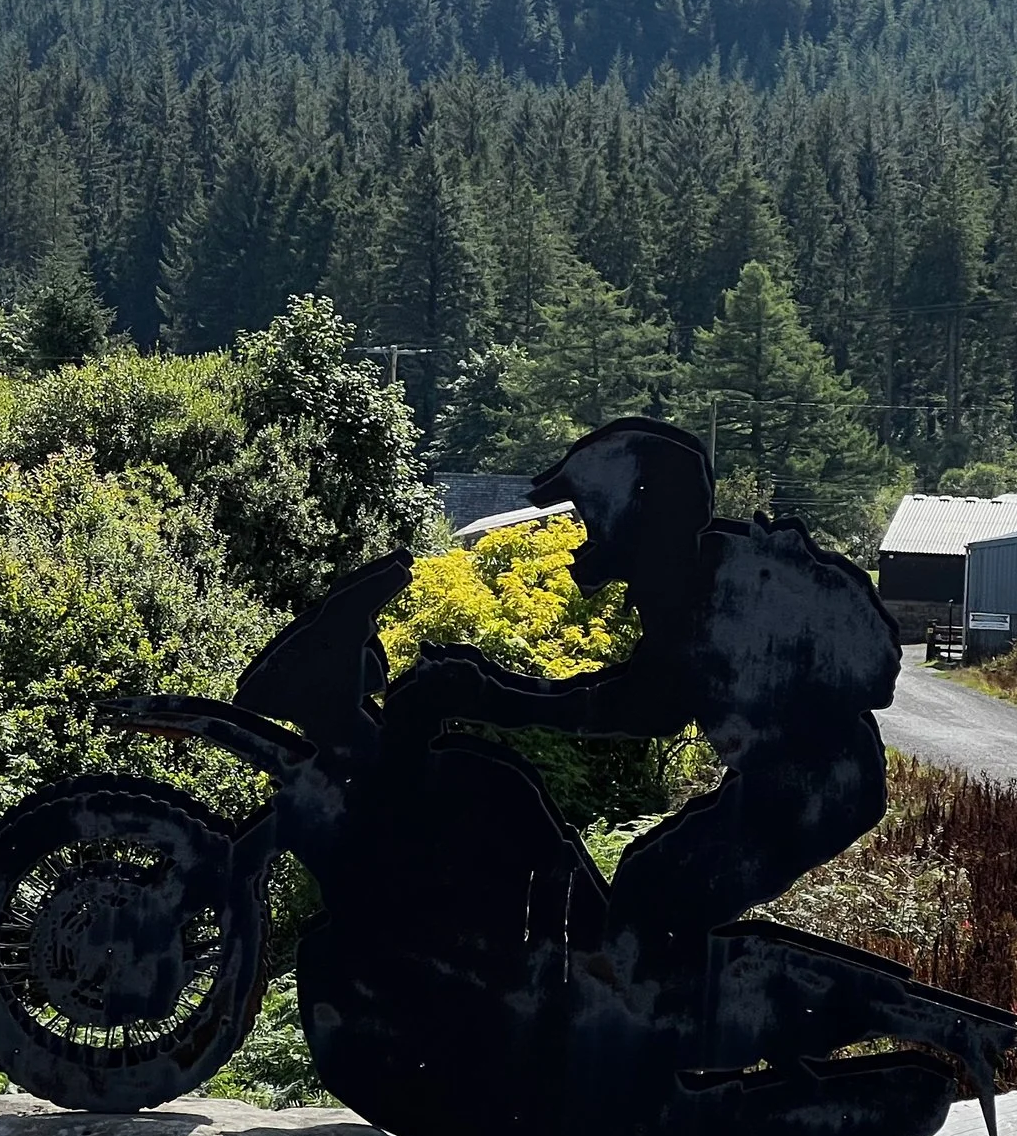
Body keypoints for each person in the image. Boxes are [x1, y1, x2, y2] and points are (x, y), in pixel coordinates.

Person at [383, 418, 899, 984]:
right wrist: (500, 695)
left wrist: (496, 698)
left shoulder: (704, 587)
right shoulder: (691, 574)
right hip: (794, 783)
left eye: (588, 516)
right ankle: (672, 1021)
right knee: (648, 886)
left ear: (632, 513)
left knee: (653, 896)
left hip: (818, 790)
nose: (582, 536)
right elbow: (638, 700)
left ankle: (677, 1038)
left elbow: (638, 707)